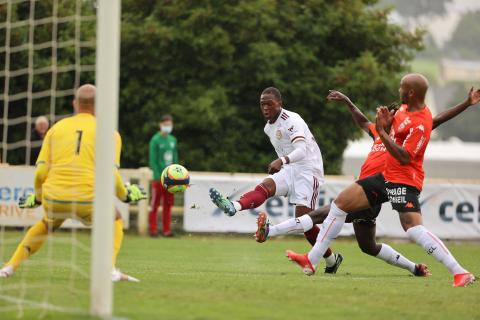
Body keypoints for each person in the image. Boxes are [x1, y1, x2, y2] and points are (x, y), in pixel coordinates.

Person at [256, 87, 480, 277]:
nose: (388, 117)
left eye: (391, 114)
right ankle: (415, 268)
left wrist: (466, 103)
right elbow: (362, 119)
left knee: (322, 214)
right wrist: (347, 101)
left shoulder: (404, 135)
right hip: (363, 190)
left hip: (371, 194)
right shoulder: (378, 132)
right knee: (368, 246)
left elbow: (437, 119)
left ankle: (272, 232)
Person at [0, 84, 146, 282]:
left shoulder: (55, 129)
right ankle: (109, 269)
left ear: (75, 104)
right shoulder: (109, 133)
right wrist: (125, 195)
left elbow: (41, 172)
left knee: (47, 223)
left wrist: (38, 198)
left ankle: (9, 267)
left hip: (54, 198)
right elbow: (111, 173)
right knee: (115, 218)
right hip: (87, 200)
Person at [209, 87, 342, 273]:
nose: (265, 107)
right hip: (290, 169)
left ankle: (331, 260)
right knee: (265, 186)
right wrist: (284, 163)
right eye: (262, 104)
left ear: (279, 103)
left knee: (305, 222)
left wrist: (282, 160)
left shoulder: (291, 120)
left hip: (308, 171)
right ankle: (234, 206)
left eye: (269, 104)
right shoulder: (268, 127)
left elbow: (302, 151)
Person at [148, 114, 178, 237]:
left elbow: (175, 158)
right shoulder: (155, 140)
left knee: (168, 205)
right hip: (158, 178)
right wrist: (158, 176)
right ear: (161, 125)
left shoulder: (173, 140)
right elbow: (153, 161)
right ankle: (153, 229)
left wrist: (176, 176)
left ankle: (167, 230)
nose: (167, 127)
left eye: (169, 125)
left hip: (171, 179)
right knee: (155, 204)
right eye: (165, 125)